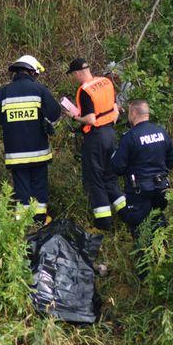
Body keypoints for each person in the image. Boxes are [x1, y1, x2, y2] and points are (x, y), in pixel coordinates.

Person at [0, 55, 60, 224]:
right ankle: (40, 220)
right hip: (39, 153)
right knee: (39, 187)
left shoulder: (4, 92)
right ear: (31, 72)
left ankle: (22, 223)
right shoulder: (39, 90)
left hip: (16, 154)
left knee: (22, 189)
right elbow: (55, 116)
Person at [64, 58, 126, 230]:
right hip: (111, 134)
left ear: (77, 73)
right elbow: (115, 111)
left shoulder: (85, 91)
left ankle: (104, 223)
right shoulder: (106, 82)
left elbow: (90, 119)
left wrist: (74, 116)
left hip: (95, 137)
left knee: (95, 179)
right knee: (110, 176)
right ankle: (126, 213)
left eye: (74, 75)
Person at [111, 99, 173, 240]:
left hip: (139, 191)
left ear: (134, 113)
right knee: (158, 222)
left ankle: (145, 258)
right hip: (161, 187)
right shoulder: (161, 132)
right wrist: (162, 171)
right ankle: (161, 254)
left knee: (139, 227)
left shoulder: (130, 137)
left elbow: (118, 167)